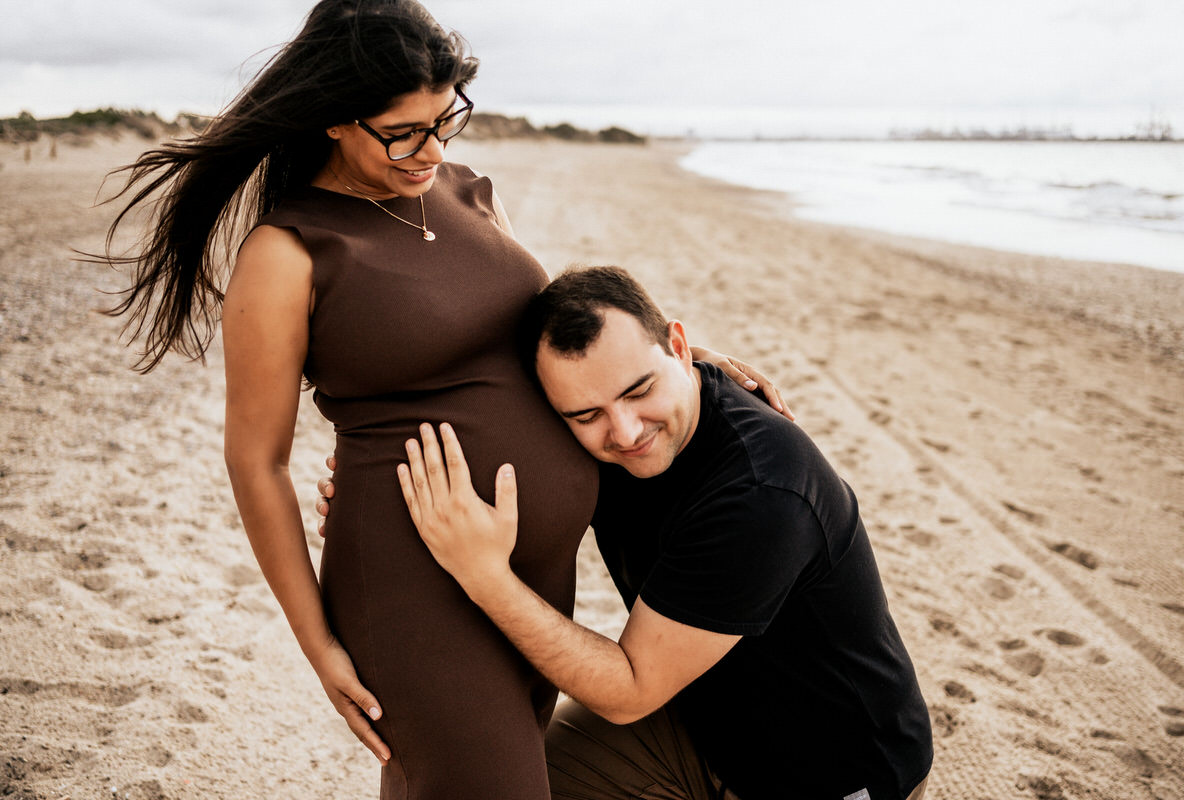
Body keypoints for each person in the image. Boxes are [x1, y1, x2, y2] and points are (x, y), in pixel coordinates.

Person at [96, 2, 787, 797]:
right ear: (332, 120)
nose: (431, 148)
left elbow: (541, 331)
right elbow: (256, 462)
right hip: (410, 579)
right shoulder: (287, 254)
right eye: (402, 131)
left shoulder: (466, 191)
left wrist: (676, 359)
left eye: (444, 119)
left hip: (528, 571)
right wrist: (317, 642)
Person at [385, 266, 934, 799]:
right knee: (496, 778)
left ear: (677, 345)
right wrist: (370, 487)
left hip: (834, 774)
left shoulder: (760, 494)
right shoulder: (599, 415)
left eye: (639, 389)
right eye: (585, 414)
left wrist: (484, 576)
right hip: (702, 722)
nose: (624, 433)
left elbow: (628, 691)